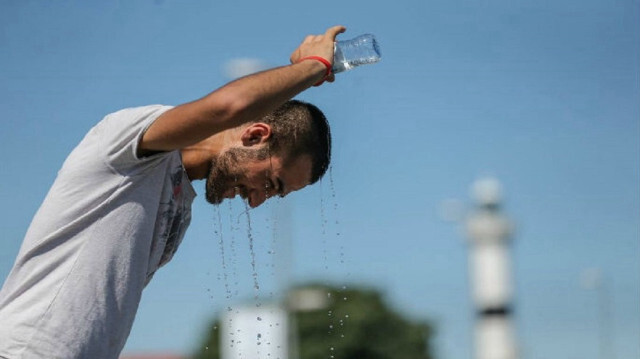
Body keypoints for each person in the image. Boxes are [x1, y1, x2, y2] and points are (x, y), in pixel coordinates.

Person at [0, 25, 346, 359]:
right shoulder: (129, 146)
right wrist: (314, 67)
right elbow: (229, 107)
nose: (256, 201)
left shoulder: (180, 202)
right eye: (270, 183)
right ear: (255, 136)